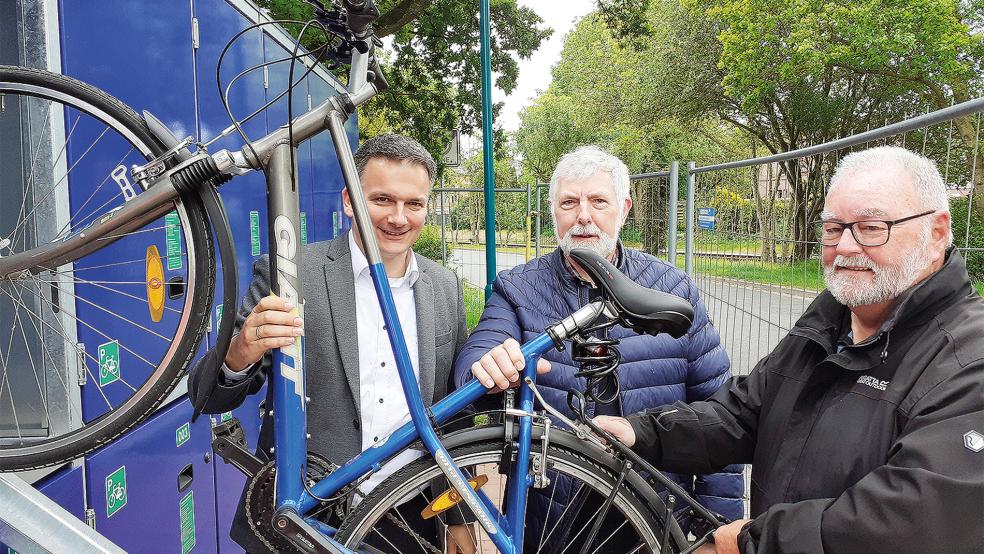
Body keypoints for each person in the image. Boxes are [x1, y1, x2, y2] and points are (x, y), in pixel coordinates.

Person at [594, 145, 984, 553]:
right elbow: (744, 414)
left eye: (872, 227)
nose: (846, 247)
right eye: (834, 228)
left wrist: (751, 544)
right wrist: (640, 432)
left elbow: (910, 522)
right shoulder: (828, 322)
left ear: (936, 232)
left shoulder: (968, 361)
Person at [188, 134, 475, 553]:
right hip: (305, 518)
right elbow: (205, 396)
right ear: (348, 199)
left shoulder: (445, 287)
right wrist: (240, 352)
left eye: (413, 204)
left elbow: (454, 418)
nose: (398, 217)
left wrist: (459, 517)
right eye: (381, 200)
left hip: (409, 516)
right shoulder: (290, 273)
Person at [453, 145, 744, 548]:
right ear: (553, 210)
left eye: (598, 201)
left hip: (653, 512)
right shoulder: (518, 287)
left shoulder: (674, 289)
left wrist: (719, 527)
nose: (583, 216)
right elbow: (480, 351)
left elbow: (718, 412)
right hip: (552, 511)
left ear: (624, 208)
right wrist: (486, 364)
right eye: (569, 202)